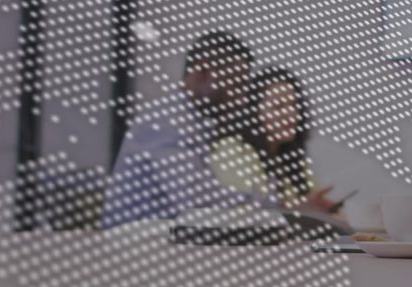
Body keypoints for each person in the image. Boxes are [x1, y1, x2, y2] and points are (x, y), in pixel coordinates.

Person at [102, 31, 274, 227]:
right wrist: (255, 202)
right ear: (201, 72)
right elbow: (195, 201)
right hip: (132, 246)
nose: (242, 100)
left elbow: (204, 190)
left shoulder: (191, 121)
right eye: (235, 84)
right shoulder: (165, 122)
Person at [211, 66, 339, 213]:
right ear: (254, 112)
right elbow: (246, 212)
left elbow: (315, 201)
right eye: (278, 106)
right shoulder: (232, 149)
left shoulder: (292, 158)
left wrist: (325, 210)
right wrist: (302, 209)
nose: (291, 114)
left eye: (294, 106)